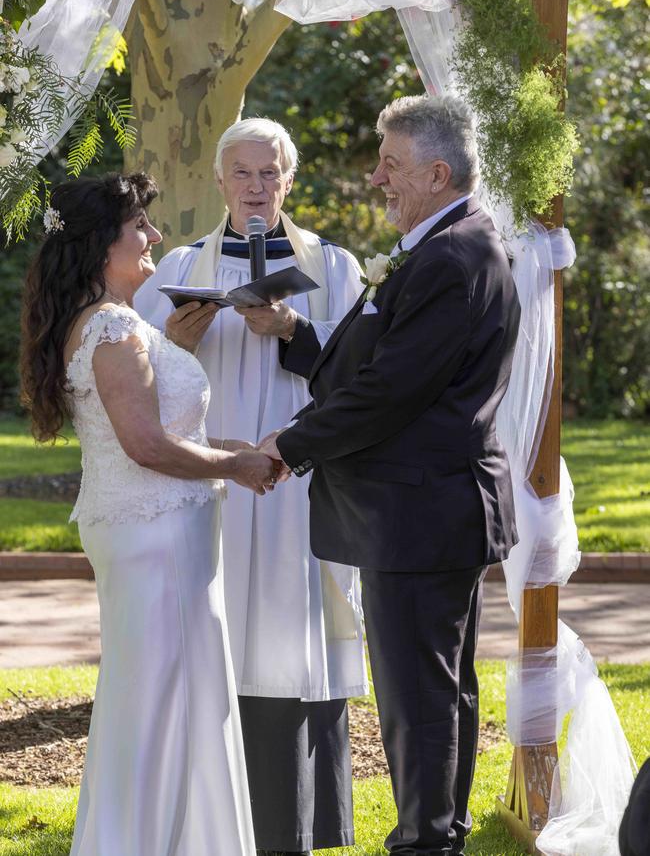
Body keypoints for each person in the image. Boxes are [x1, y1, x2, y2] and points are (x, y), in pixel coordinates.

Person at [260, 95, 521, 855]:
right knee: (441, 687)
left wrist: (289, 444)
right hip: (435, 508)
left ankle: (426, 841)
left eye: (391, 164)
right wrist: (300, 336)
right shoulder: (446, 240)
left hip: (420, 513)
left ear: (438, 173)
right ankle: (439, 832)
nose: (377, 177)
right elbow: (386, 363)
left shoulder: (450, 257)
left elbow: (390, 391)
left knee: (418, 697)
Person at [20, 172, 278, 856]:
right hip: (154, 539)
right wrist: (235, 466)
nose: (155, 236)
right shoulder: (111, 328)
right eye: (141, 226)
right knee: (160, 702)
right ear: (104, 243)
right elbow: (146, 444)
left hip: (159, 532)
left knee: (176, 698)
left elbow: (162, 431)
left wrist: (245, 450)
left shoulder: (121, 324)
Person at [136, 118, 368, 856]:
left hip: (297, 483)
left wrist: (297, 327)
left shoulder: (332, 266)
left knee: (286, 639)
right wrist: (175, 341)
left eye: (271, 173)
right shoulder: (178, 263)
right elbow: (130, 377)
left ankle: (291, 825)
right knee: (212, 634)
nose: (257, 187)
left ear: (290, 180)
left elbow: (369, 371)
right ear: (218, 180)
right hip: (206, 481)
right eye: (243, 173)